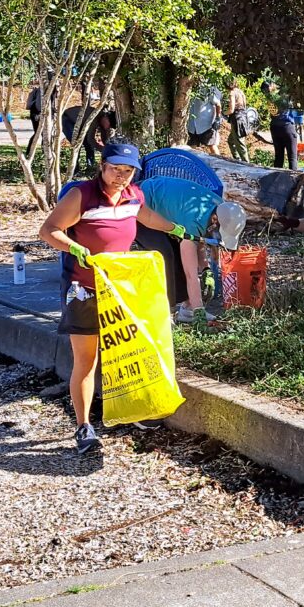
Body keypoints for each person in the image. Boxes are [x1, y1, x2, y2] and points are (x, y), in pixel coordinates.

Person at [39, 141, 190, 455]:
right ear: (102, 167)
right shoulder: (82, 195)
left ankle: (134, 411)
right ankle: (84, 427)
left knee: (130, 352)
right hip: (85, 291)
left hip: (121, 290)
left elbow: (146, 217)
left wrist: (177, 229)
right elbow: (49, 230)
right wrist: (73, 247)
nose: (121, 175)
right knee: (88, 360)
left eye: (128, 170)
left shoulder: (134, 195)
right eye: (115, 169)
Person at [135, 176, 247, 323]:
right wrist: (199, 311)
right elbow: (190, 273)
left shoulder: (220, 208)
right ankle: (165, 312)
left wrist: (206, 269)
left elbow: (198, 241)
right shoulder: (194, 219)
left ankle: (188, 309)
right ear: (215, 220)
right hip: (140, 205)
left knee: (179, 252)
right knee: (166, 255)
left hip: (165, 207)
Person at [61, 106, 114, 171]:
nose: (108, 127)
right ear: (106, 118)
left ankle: (90, 167)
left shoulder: (102, 120)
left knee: (88, 145)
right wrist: (102, 149)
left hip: (79, 122)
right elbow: (90, 139)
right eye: (109, 125)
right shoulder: (94, 118)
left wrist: (108, 149)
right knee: (77, 144)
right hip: (68, 119)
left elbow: (104, 137)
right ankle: (74, 169)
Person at [264, 82, 301, 170]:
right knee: (292, 158)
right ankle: (293, 179)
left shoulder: (270, 97)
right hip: (287, 126)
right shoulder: (285, 98)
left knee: (278, 157)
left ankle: (276, 179)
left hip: (275, 127)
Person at [187, 85, 222, 155]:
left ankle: (219, 164)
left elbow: (218, 104)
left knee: (212, 145)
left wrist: (218, 118)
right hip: (192, 125)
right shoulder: (187, 88)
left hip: (206, 125)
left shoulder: (208, 88)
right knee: (192, 147)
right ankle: (194, 164)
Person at [226, 79, 250, 163]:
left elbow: (231, 109)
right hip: (243, 117)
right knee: (231, 141)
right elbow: (245, 105)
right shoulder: (241, 92)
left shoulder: (232, 93)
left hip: (237, 119)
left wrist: (224, 113)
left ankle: (246, 163)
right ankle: (237, 159)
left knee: (240, 142)